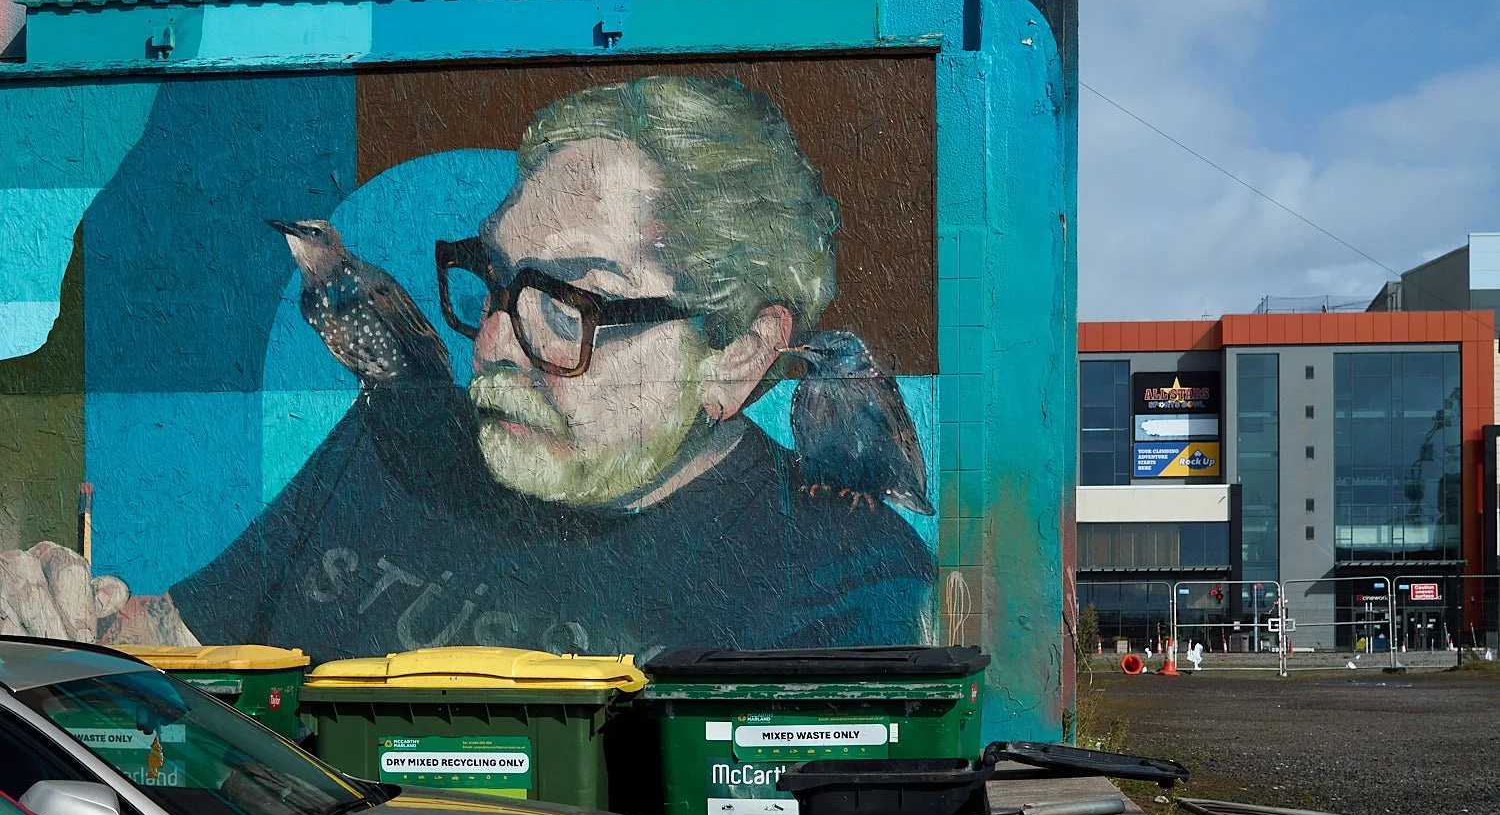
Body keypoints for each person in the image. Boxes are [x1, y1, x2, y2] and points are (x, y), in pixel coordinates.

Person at [0, 77, 934, 661]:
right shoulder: (398, 444)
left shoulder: (849, 588)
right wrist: (63, 618)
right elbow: (181, 640)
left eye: (568, 303)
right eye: (491, 281)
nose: (490, 343)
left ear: (736, 354)